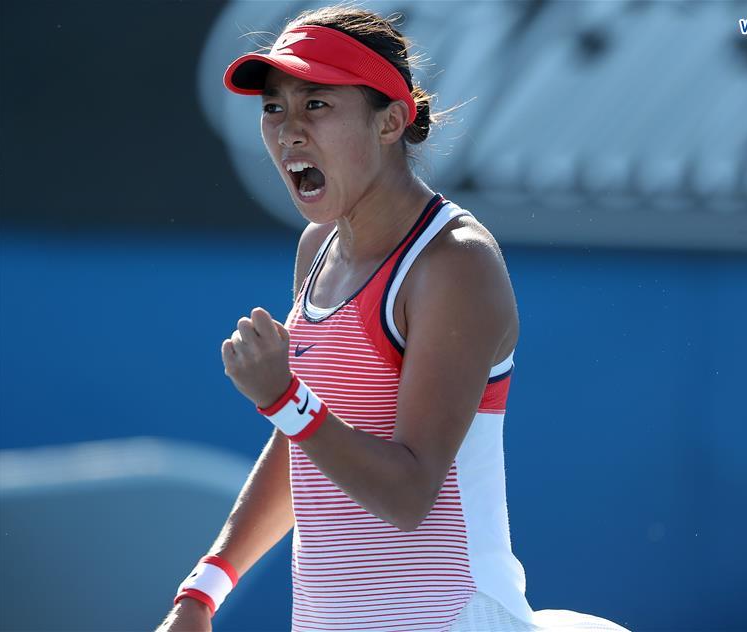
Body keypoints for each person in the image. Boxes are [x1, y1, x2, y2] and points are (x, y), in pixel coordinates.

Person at [156, 5, 629, 632]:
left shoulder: (454, 263)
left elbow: (408, 494)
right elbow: (306, 444)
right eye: (274, 108)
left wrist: (284, 398)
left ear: (392, 121)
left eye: (317, 104)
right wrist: (204, 590)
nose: (288, 131)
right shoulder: (316, 249)